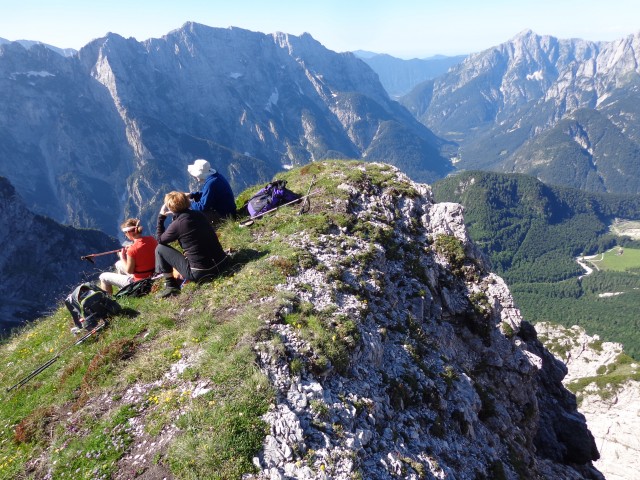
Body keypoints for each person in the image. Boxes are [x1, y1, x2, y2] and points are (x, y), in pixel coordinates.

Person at [155, 191, 228, 298]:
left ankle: (170, 286)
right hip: (222, 262)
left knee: (159, 248)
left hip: (201, 272)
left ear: (170, 207)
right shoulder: (199, 215)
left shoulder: (177, 224)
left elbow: (160, 239)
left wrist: (161, 217)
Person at [99, 218, 158, 295]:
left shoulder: (132, 249)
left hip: (140, 282)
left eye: (125, 233)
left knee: (103, 277)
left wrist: (123, 256)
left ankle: (108, 302)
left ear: (129, 233)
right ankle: (124, 290)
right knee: (118, 264)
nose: (125, 235)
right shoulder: (151, 239)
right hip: (153, 275)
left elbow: (129, 271)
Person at [186, 158, 237, 228]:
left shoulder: (210, 183)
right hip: (229, 212)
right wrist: (192, 195)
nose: (195, 177)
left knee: (192, 215)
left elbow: (202, 207)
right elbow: (208, 194)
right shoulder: (216, 177)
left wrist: (188, 203)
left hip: (224, 217)